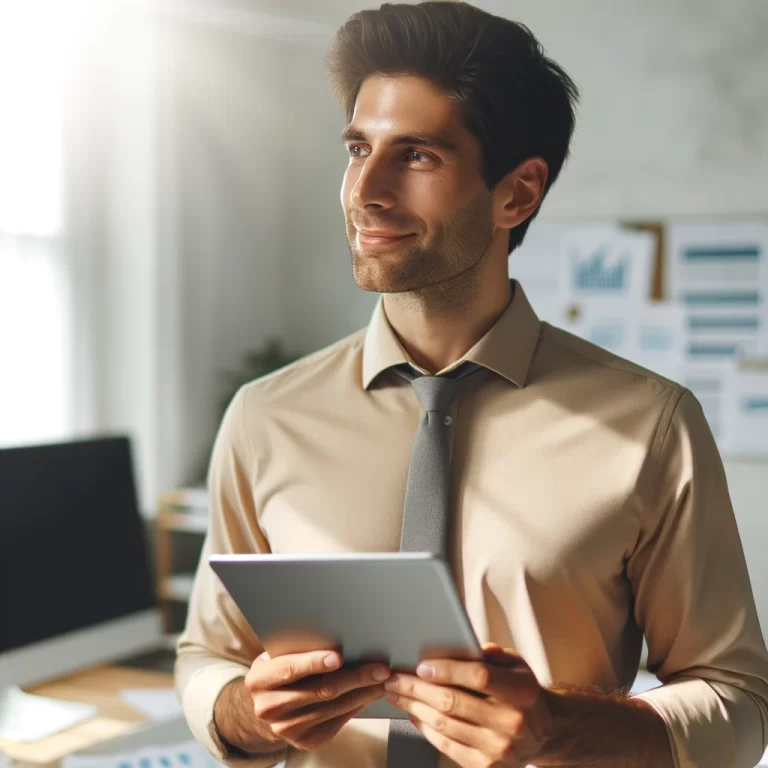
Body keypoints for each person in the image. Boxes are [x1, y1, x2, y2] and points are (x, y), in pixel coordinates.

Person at [175, 2, 768, 767]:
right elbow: (206, 656)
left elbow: (738, 700)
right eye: (359, 148)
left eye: (417, 155)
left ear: (517, 193)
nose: (366, 191)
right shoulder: (265, 417)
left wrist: (560, 728)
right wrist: (248, 713)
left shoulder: (652, 426)